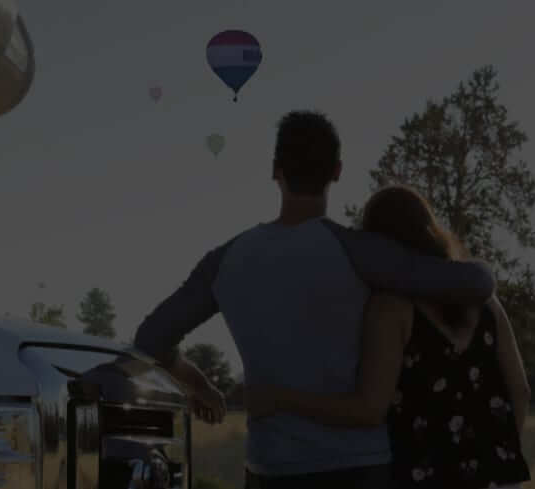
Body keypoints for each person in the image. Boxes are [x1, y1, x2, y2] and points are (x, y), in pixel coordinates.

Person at [131, 110, 496, 489]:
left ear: (276, 170)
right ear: (337, 171)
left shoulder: (225, 261)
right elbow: (478, 282)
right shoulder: (360, 252)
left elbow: (150, 339)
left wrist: (201, 385)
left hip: (268, 470)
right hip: (357, 471)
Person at [244, 185, 533, 489]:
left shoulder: (391, 307)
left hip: (423, 476)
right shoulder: (485, 301)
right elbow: (521, 391)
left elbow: (368, 409)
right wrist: (494, 458)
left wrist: (280, 398)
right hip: (498, 479)